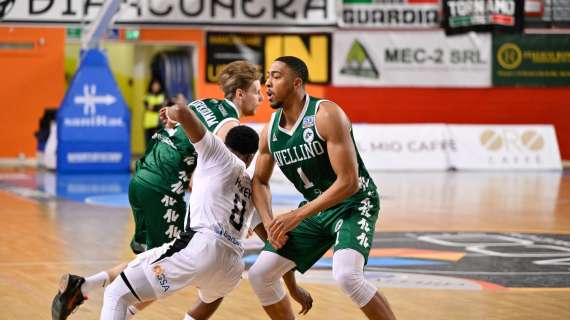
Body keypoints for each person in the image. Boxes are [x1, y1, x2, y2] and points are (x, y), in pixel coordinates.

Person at [52, 100, 313, 320]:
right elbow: (275, 243)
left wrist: (172, 113)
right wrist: (294, 287)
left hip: (201, 247)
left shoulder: (217, 153)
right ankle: (83, 285)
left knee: (117, 293)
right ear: (252, 157)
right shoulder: (252, 186)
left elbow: (186, 113)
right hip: (232, 266)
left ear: (227, 145)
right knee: (201, 296)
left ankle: (87, 287)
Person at [248, 56, 397, 320]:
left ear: (296, 83)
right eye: (267, 77)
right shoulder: (269, 131)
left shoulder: (326, 114)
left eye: (275, 76)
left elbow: (349, 182)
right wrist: (271, 224)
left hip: (355, 203)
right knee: (260, 275)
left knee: (347, 276)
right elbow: (258, 181)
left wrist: (297, 215)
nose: (267, 83)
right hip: (317, 210)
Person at [143, 79, 166, 147]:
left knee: (158, 143)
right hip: (148, 123)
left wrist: (154, 107)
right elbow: (147, 106)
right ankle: (149, 157)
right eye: (154, 85)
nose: (155, 87)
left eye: (157, 85)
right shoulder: (147, 96)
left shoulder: (163, 96)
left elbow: (161, 107)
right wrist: (156, 106)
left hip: (158, 123)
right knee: (148, 144)